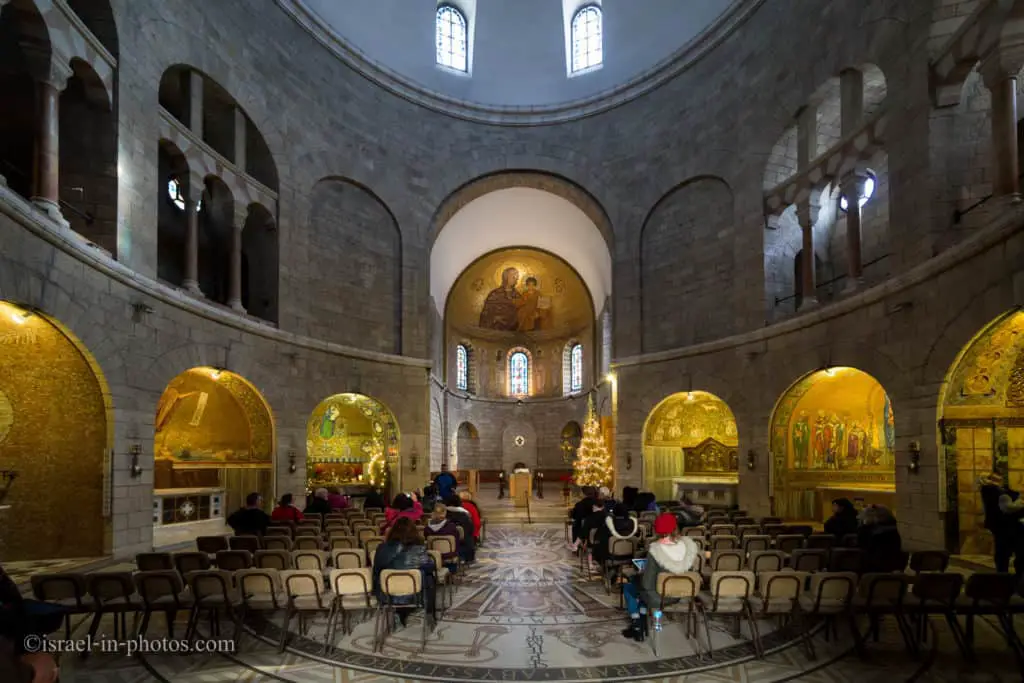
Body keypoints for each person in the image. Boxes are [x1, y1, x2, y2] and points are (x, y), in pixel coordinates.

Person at [621, 512, 700, 642]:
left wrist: (639, 574)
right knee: (642, 592)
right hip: (681, 594)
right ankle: (642, 625)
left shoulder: (656, 550)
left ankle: (637, 625)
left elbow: (647, 584)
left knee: (630, 587)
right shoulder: (689, 547)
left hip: (660, 597)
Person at [372, 517, 436, 626]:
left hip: (386, 593)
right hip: (414, 594)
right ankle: (430, 612)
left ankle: (398, 612)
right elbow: (430, 567)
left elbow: (376, 570)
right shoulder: (418, 549)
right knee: (429, 576)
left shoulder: (381, 548)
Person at [980, 472, 1024, 573]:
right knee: (1007, 553)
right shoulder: (993, 491)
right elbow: (1007, 509)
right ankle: (1011, 579)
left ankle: (1005, 577)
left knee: (1004, 554)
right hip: (1007, 526)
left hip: (1003, 526)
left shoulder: (992, 491)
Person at [857, 504, 904, 573]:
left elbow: (863, 545)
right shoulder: (894, 529)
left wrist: (864, 525)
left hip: (874, 568)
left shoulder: (873, 532)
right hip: (892, 568)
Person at [423, 503, 460, 574]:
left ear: (433, 513)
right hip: (449, 557)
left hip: (433, 558)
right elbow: (457, 543)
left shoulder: (427, 529)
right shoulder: (451, 527)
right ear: (445, 513)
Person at [444, 495, 476, 563]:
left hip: (444, 549)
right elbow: (471, 531)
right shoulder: (464, 515)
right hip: (462, 547)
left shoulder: (443, 515)